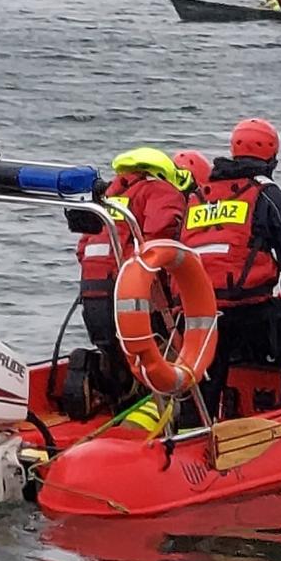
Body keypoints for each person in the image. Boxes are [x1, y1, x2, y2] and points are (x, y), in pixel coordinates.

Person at [181, 119, 281, 421]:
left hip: (202, 312)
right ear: (273, 159)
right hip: (251, 308)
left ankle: (191, 437)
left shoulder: (198, 196)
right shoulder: (270, 197)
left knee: (207, 375)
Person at [64, 147, 187, 416]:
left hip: (92, 289)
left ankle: (102, 383)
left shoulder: (110, 197)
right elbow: (160, 239)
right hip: (128, 290)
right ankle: (166, 415)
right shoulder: (158, 191)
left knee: (116, 352)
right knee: (156, 353)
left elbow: (82, 247)